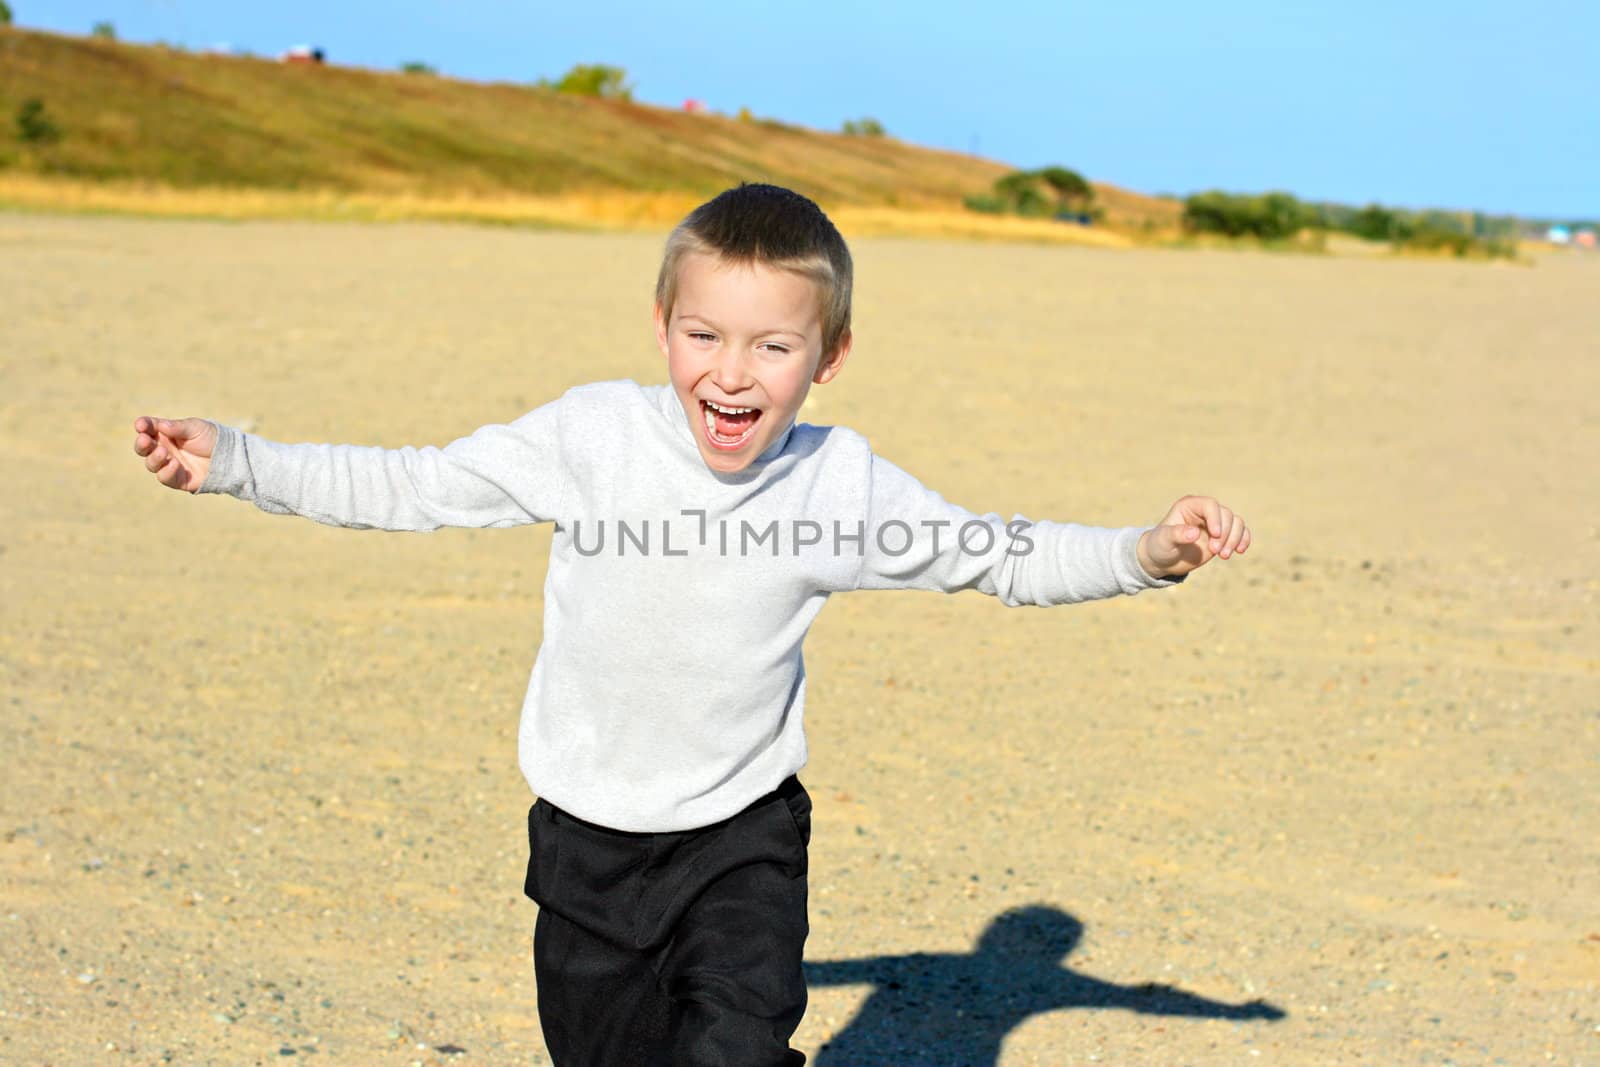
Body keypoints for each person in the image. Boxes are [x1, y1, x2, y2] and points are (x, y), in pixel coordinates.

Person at [132, 183, 1251, 1066]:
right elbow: (413, 483)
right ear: (661, 327)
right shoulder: (592, 437)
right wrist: (239, 460)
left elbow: (996, 554)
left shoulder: (838, 485)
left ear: (829, 357)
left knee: (732, 1043)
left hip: (740, 836)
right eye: (704, 335)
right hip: (584, 834)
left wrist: (1143, 552)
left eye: (773, 345)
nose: (731, 372)